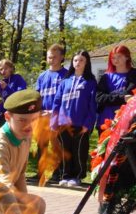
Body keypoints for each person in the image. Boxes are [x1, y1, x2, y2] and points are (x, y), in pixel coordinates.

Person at [0, 89, 52, 214]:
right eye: (22, 120)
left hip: (8, 202)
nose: (29, 125)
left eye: (34, 119)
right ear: (8, 117)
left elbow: (19, 177)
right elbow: (1, 190)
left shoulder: (25, 136)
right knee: (38, 204)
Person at [51, 50, 97, 187]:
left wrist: (88, 124)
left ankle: (77, 176)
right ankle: (65, 175)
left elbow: (92, 105)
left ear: (86, 62)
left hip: (81, 123)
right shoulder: (65, 81)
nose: (78, 63)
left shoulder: (90, 82)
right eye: (75, 60)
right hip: (63, 123)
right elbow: (57, 102)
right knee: (65, 150)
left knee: (79, 151)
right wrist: (54, 122)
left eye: (81, 60)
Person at [34, 44, 69, 182]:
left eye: (55, 57)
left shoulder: (66, 75)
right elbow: (37, 96)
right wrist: (39, 110)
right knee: (41, 145)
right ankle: (40, 173)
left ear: (61, 58)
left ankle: (57, 173)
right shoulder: (42, 76)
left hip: (58, 116)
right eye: (49, 57)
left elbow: (67, 97)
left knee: (56, 145)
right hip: (43, 116)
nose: (52, 59)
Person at [96, 45, 136, 133]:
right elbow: (99, 98)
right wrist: (122, 98)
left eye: (119, 56)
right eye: (113, 58)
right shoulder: (106, 77)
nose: (116, 60)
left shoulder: (134, 75)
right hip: (106, 121)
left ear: (127, 57)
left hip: (129, 122)